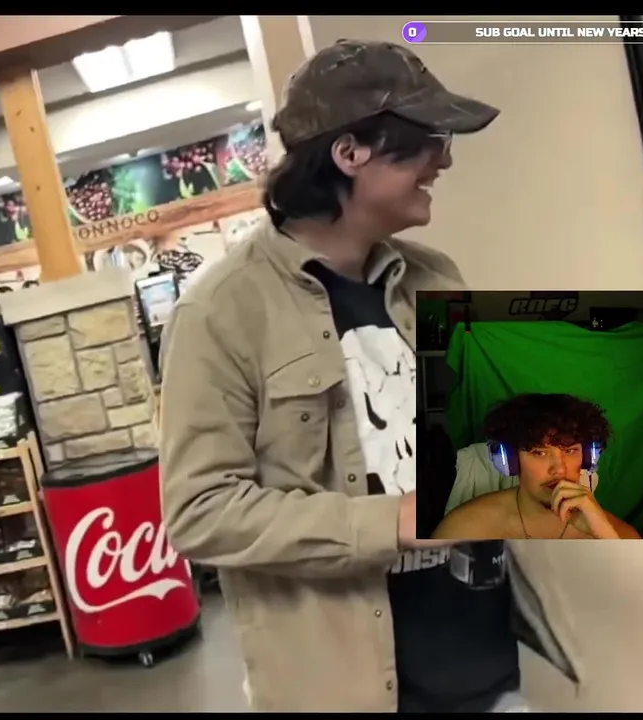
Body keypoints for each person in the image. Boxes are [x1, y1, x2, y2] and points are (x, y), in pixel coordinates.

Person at [159, 40, 516, 712]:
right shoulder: (219, 312)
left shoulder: (437, 277)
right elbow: (200, 512)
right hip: (351, 689)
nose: (443, 160)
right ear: (349, 153)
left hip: (497, 672)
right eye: (426, 141)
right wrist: (394, 520)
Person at [434, 394, 641, 540]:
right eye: (539, 453)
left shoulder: (614, 533)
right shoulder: (466, 528)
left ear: (588, 457)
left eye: (570, 451)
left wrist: (605, 535)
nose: (559, 469)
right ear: (510, 461)